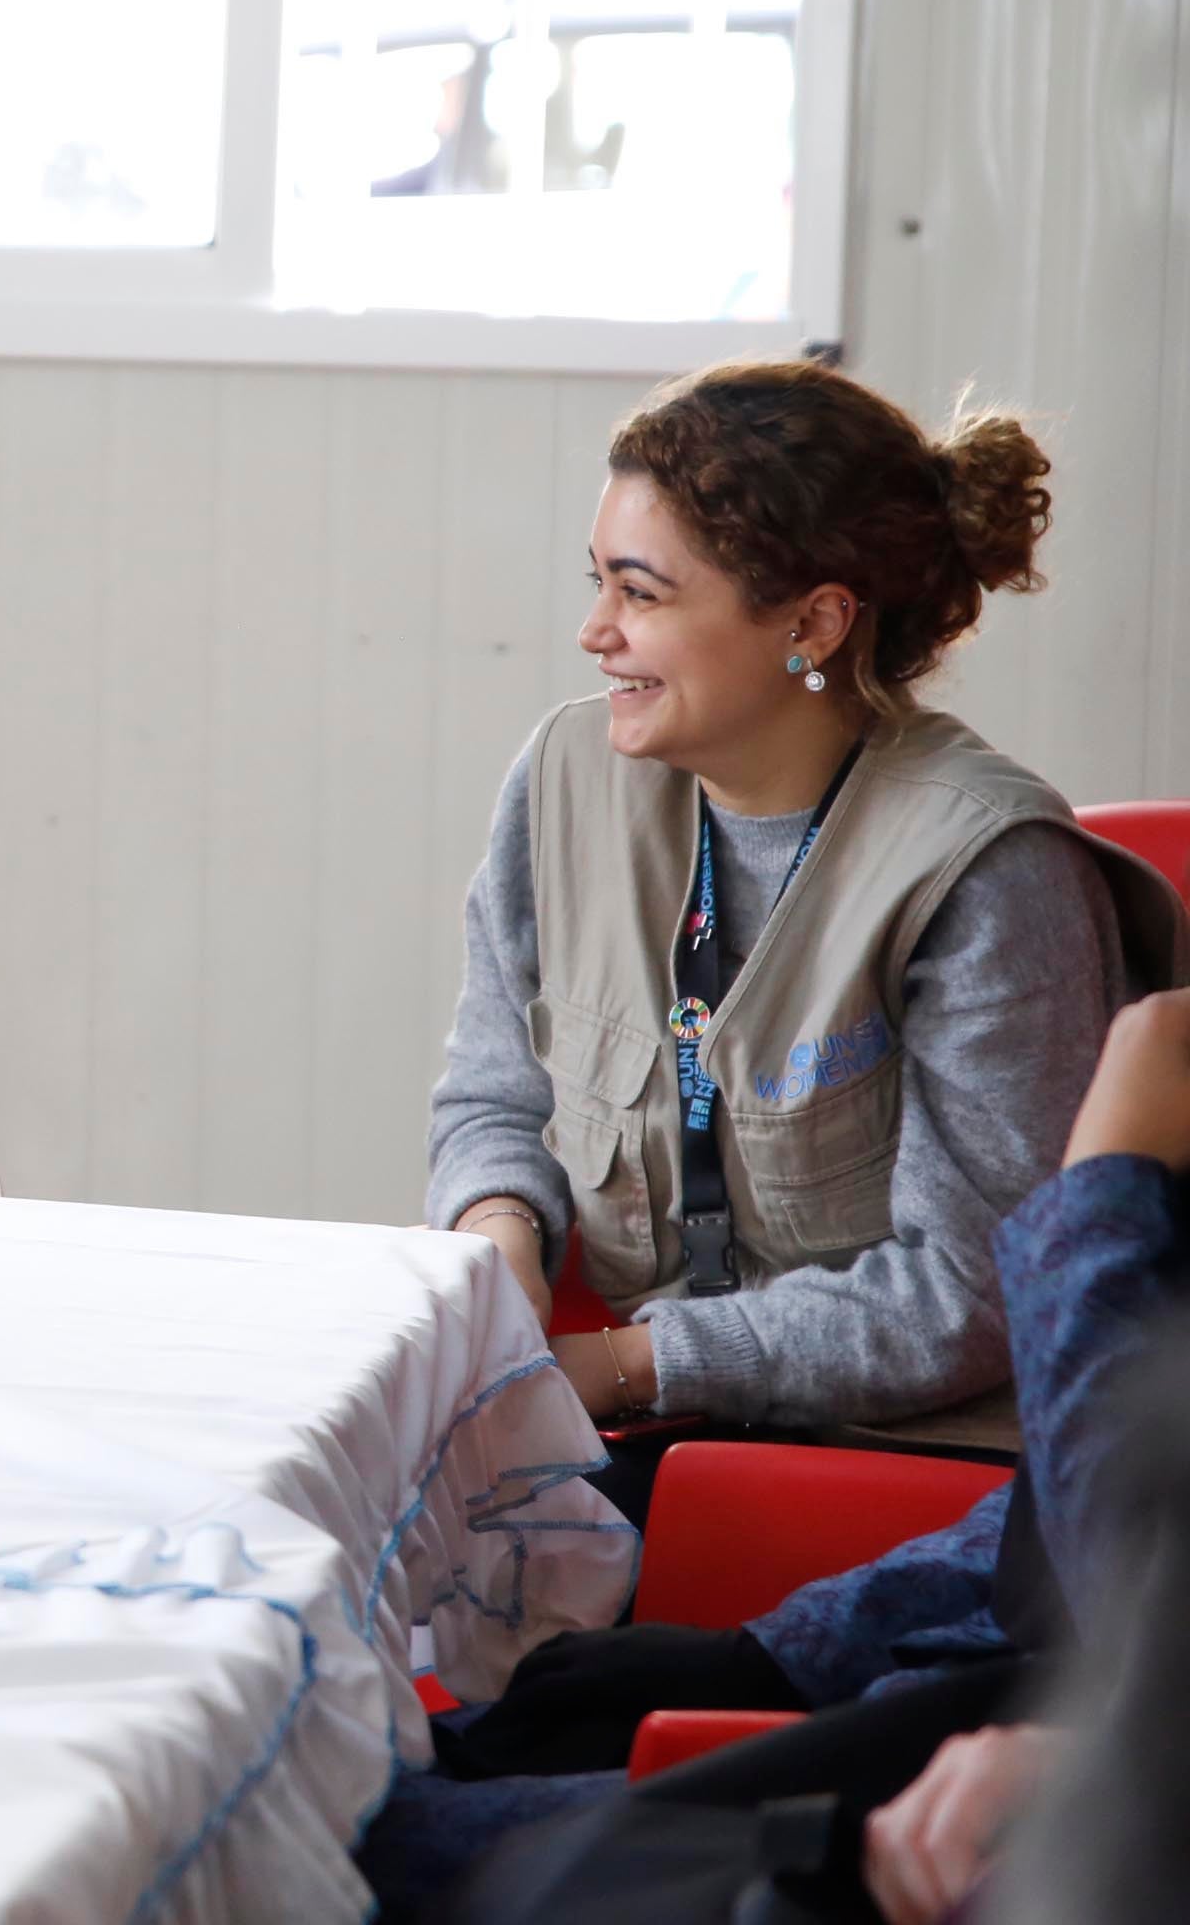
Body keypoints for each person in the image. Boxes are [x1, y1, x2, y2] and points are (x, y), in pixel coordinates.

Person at [426, 361, 1182, 1441]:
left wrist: (624, 1366)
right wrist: (499, 1247)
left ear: (815, 623)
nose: (595, 631)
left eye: (640, 593)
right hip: (651, 1419)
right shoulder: (563, 781)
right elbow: (494, 1098)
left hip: (908, 1465)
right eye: (596, 581)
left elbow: (968, 1297)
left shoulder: (994, 873)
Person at [365, 987, 1190, 1923]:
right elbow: (1040, 1522)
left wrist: (1102, 1184)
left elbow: (1123, 1560)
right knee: (388, 1777)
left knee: (367, 1846)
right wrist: (777, 1653)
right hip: (964, 1684)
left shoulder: (985, 874)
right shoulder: (561, 837)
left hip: (1047, 1797)